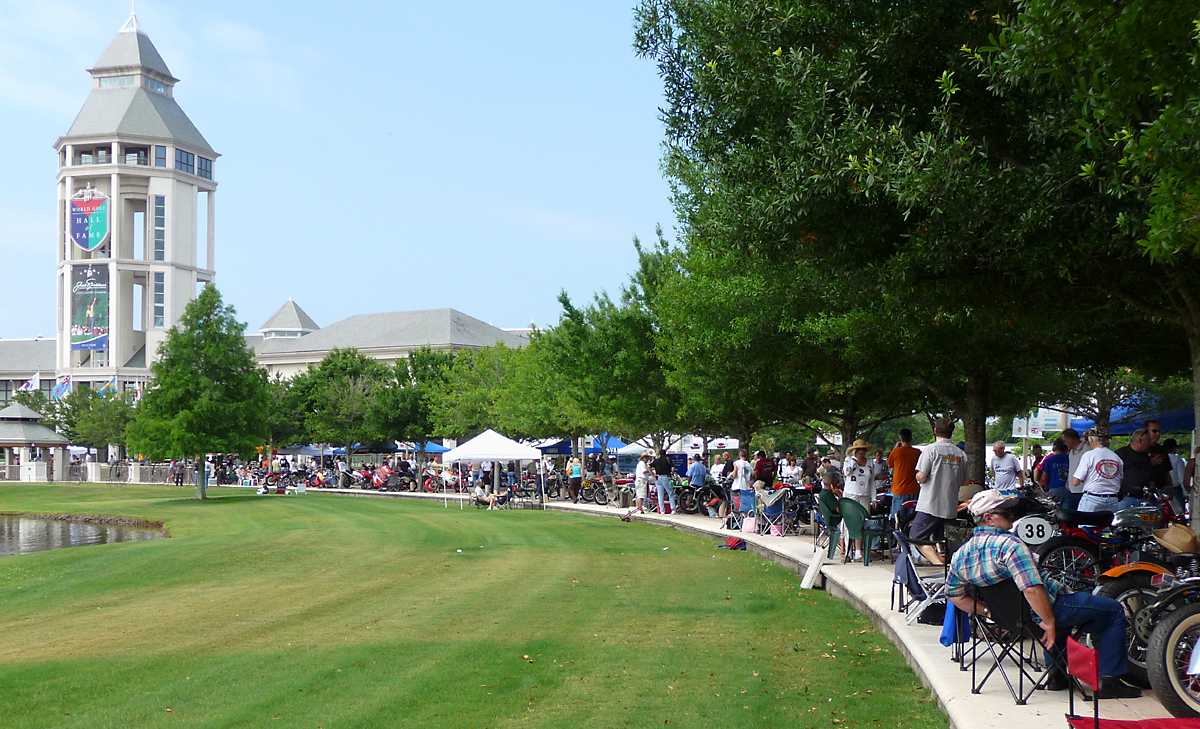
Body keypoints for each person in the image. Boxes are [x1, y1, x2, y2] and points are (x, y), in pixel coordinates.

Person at [947, 490, 1141, 699]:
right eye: (1007, 512)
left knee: (1063, 613)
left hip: (1012, 618)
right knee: (1112, 610)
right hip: (1045, 610)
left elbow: (955, 596)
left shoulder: (961, 554)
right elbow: (1031, 588)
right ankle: (1111, 680)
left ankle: (1057, 674)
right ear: (988, 517)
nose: (1013, 517)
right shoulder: (1009, 546)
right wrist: (1048, 621)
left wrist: (989, 612)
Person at [911, 418, 967, 547]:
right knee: (948, 542)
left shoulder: (931, 450)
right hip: (950, 506)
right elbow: (964, 481)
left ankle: (937, 562)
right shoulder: (961, 454)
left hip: (930, 504)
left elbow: (922, 476)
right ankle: (945, 562)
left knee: (916, 537)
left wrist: (918, 476)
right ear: (951, 432)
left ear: (935, 430)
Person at [1072, 430, 1126, 513]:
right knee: (1107, 525)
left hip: (1092, 499)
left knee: (1086, 524)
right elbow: (1120, 480)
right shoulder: (1117, 458)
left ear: (1092, 439)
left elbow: (1075, 482)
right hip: (1113, 500)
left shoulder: (1089, 455)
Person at [1115, 428, 1163, 505]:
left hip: (1146, 498)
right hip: (1126, 498)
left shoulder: (1147, 455)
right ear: (1140, 441)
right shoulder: (1121, 454)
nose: (1150, 444)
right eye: (1148, 441)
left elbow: (1150, 475)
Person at [887, 429, 922, 518]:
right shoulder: (918, 452)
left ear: (900, 438)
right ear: (911, 438)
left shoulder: (896, 452)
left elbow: (889, 464)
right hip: (914, 489)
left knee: (898, 518)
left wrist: (895, 447)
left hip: (899, 490)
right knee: (912, 518)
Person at [841, 439, 875, 509]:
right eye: (859, 449)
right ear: (855, 451)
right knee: (851, 517)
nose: (861, 451)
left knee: (864, 518)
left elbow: (872, 482)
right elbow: (847, 473)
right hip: (851, 495)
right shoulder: (848, 461)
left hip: (865, 496)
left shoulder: (870, 463)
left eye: (863, 449)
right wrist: (853, 460)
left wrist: (874, 498)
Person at [1037, 439, 1071, 505]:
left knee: (1054, 512)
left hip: (1054, 490)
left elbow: (1043, 478)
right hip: (1069, 490)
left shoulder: (1049, 459)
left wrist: (1043, 487)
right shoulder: (1070, 458)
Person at [652, 450, 677, 514]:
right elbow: (673, 468)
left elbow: (649, 466)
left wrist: (653, 475)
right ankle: (673, 509)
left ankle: (662, 511)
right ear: (665, 454)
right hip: (666, 477)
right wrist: (672, 473)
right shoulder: (668, 460)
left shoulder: (656, 460)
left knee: (660, 495)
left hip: (658, 478)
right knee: (670, 493)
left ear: (659, 454)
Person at [731, 449, 753, 513]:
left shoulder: (737, 463)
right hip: (746, 488)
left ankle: (737, 517)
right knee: (744, 505)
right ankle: (744, 518)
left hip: (737, 486)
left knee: (737, 505)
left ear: (739, 455)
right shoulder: (749, 465)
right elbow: (753, 475)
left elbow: (735, 475)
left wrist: (732, 476)